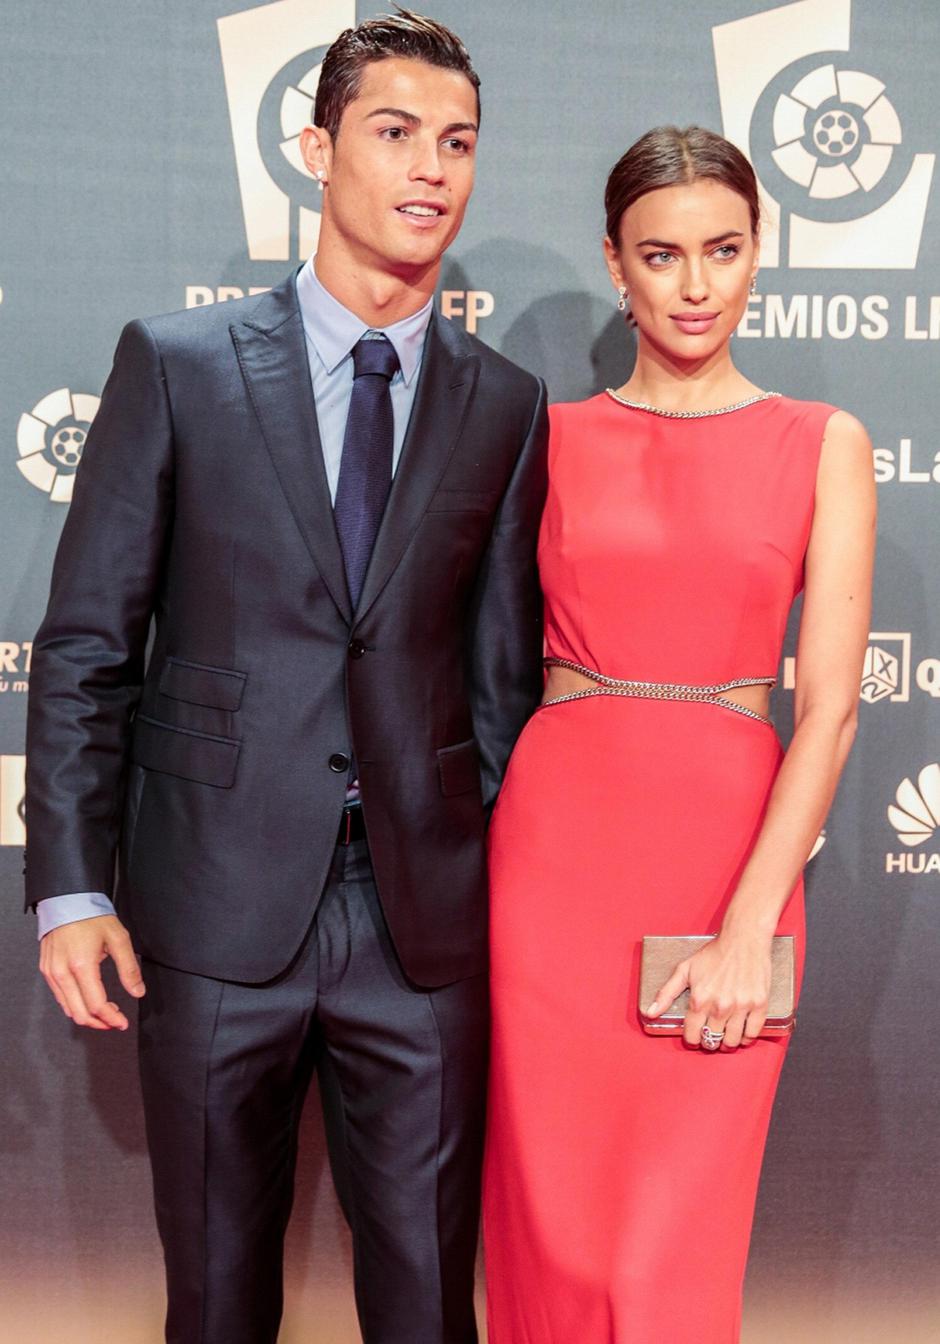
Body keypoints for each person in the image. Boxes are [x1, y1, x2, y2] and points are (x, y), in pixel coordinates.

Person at [25, 11, 547, 1343]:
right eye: (394, 132)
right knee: (215, 1301)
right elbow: (87, 645)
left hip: (417, 933)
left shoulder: (504, 403)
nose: (430, 168)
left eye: (458, 142)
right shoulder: (180, 365)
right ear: (316, 151)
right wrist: (73, 885)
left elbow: (501, 681)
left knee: (428, 1306)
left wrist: (464, 860)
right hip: (211, 907)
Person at [482, 125, 875, 1342]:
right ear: (616, 263)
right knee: (553, 1241)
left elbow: (830, 709)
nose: (695, 285)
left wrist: (749, 924)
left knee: (667, 1266)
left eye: (722, 249)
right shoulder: (544, 439)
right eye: (661, 255)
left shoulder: (821, 443)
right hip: (553, 867)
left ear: (760, 250)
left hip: (726, 865)